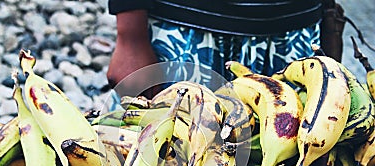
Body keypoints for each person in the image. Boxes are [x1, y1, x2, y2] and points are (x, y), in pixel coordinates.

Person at [106, 0, 323, 98]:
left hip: (295, 37)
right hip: (187, 35)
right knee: (172, 162)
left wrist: (328, 16)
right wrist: (131, 35)